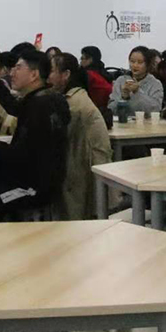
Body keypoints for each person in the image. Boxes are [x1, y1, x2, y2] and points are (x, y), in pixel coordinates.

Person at [0, 49, 71, 213]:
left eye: (18, 68)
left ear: (34, 75)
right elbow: (15, 108)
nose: (12, 73)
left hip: (32, 187)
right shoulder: (47, 98)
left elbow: (21, 155)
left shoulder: (39, 106)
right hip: (46, 182)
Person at [48, 53, 112, 219]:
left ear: (66, 74)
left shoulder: (73, 103)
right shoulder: (73, 96)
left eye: (52, 71)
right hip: (82, 165)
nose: (48, 76)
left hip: (86, 171)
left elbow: (48, 134)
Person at [108, 46, 164, 117]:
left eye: (140, 62)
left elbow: (156, 110)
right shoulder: (120, 81)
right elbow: (111, 110)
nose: (135, 65)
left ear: (148, 64)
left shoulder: (155, 84)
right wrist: (124, 98)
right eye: (132, 61)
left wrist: (137, 92)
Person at [80, 46, 113, 113]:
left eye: (82, 58)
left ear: (90, 59)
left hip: (97, 109)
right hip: (107, 107)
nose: (81, 62)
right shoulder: (102, 71)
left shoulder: (88, 75)